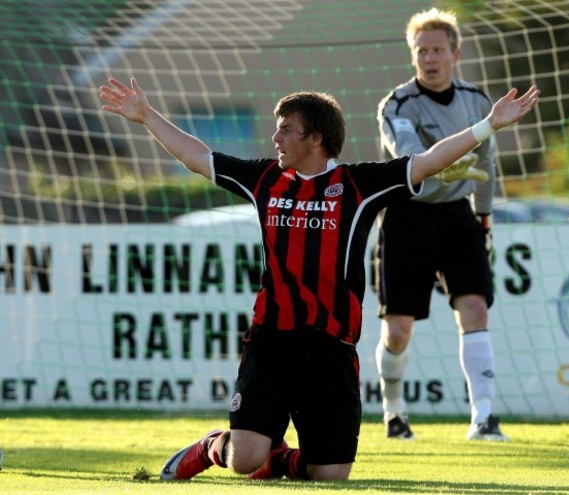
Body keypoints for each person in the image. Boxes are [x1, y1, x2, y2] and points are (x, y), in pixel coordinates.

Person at [99, 75, 538, 481]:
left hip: (331, 348)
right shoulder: (265, 179)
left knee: (330, 477)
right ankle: (212, 447)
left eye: (286, 129)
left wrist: (488, 126)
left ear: (316, 137)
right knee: (244, 458)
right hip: (272, 341)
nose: (276, 138)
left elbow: (426, 162)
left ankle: (280, 458)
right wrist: (145, 116)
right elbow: (199, 158)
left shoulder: (358, 185)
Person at [373, 7, 512, 442]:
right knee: (398, 331)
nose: (428, 58)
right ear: (413, 55)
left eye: (436, 50)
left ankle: (484, 418)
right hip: (406, 216)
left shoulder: (477, 101)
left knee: (475, 308)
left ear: (455, 53)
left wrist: (484, 214)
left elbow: (486, 161)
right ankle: (393, 410)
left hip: (458, 215)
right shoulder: (396, 104)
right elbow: (409, 154)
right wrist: (437, 167)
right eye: (421, 51)